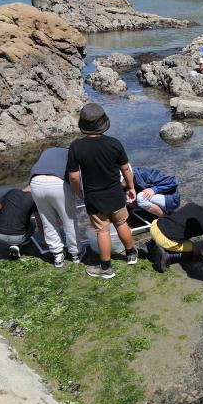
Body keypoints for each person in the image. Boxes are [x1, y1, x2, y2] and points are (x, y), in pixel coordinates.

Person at [67, 103, 139, 279]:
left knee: (103, 231)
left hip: (94, 196)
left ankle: (106, 268)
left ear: (83, 125)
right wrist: (131, 187)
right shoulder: (114, 143)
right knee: (122, 223)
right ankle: (131, 254)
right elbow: (126, 169)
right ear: (103, 123)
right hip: (115, 192)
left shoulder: (76, 147)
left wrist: (79, 193)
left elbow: (74, 177)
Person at [30, 147, 80, 267]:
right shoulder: (73, 154)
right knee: (69, 219)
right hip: (58, 182)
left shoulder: (48, 151)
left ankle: (57, 255)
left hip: (35, 182)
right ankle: (75, 254)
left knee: (47, 220)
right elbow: (75, 177)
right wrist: (79, 193)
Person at [147, 200, 203, 274]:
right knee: (195, 250)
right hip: (165, 240)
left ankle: (149, 245)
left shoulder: (192, 205)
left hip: (155, 227)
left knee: (171, 229)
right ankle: (169, 256)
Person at [0, 185, 39, 258]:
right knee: (32, 220)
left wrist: (6, 206)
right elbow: (40, 222)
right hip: (17, 238)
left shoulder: (12, 192)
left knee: (5, 216)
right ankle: (21, 243)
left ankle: (12, 244)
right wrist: (44, 240)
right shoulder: (35, 199)